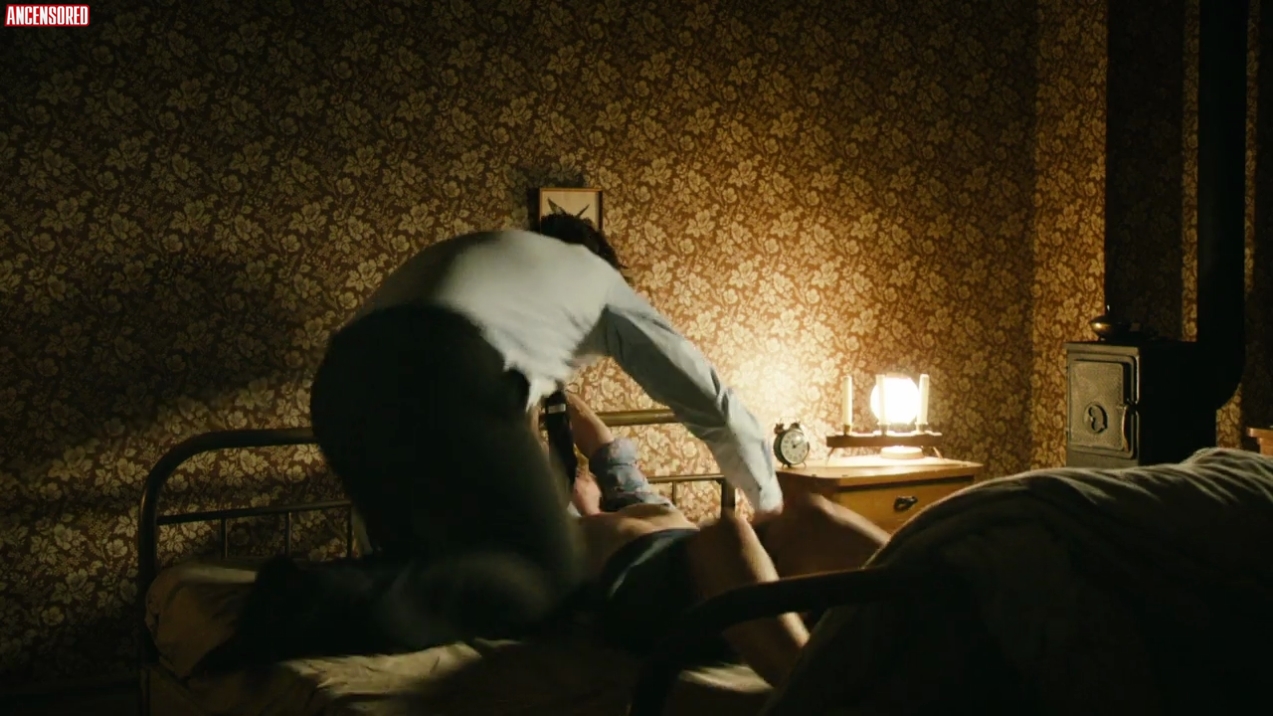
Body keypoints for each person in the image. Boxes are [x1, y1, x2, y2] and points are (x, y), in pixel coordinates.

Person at [304, 214, 783, 648]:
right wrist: (769, 508)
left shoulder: (505, 267)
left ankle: (321, 598)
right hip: (442, 360)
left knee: (437, 566)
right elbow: (714, 405)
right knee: (545, 573)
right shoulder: (600, 283)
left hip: (338, 387)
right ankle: (302, 600)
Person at [561, 393, 888, 688]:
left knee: (809, 513)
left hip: (718, 570)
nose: (576, 477)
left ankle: (916, 596)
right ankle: (811, 690)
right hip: (642, 590)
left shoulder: (631, 492)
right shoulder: (559, 527)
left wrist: (550, 384)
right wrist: (583, 509)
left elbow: (597, 436)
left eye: (579, 472)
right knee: (726, 528)